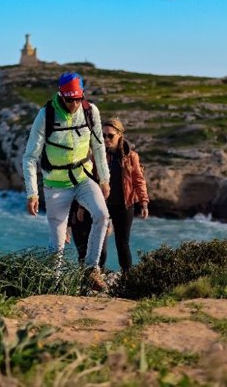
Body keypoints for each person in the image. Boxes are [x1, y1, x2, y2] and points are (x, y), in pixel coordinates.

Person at [22, 71, 111, 291]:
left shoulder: (91, 112)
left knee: (102, 215)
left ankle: (92, 270)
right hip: (56, 183)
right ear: (61, 96)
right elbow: (30, 157)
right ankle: (55, 284)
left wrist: (105, 179)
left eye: (78, 99)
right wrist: (32, 193)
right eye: (70, 100)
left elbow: (99, 147)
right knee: (58, 244)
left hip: (83, 176)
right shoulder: (46, 114)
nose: (74, 104)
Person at [70, 118, 149, 273]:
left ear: (120, 135)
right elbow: (89, 181)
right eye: (103, 135)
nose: (106, 139)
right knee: (100, 245)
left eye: (110, 136)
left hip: (124, 205)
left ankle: (127, 278)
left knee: (122, 244)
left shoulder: (131, 156)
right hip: (102, 204)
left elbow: (139, 180)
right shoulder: (97, 156)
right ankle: (98, 276)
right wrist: (81, 207)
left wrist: (144, 203)